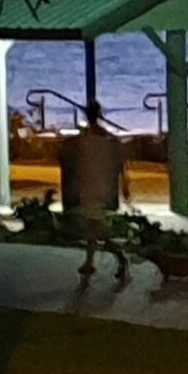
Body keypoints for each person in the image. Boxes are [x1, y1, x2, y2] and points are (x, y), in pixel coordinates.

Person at [55, 109, 130, 284]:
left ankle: (119, 258)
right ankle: (93, 261)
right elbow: (120, 162)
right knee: (93, 226)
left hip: (90, 186)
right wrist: (124, 184)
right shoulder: (108, 139)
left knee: (96, 227)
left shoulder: (82, 140)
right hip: (103, 186)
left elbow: (70, 159)